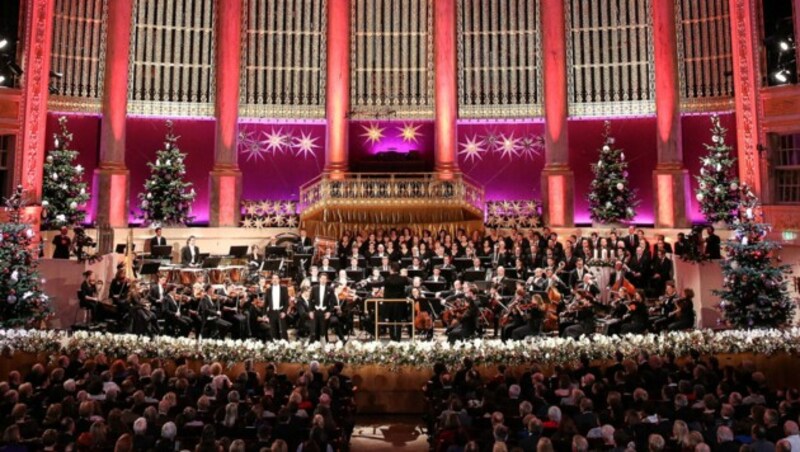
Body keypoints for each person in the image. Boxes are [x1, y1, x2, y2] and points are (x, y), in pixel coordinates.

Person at [383, 263, 409, 341]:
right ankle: (398, 338)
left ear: (391, 270)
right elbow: (409, 282)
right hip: (400, 303)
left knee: (391, 321)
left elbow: (380, 284)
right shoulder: (403, 279)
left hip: (390, 303)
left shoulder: (388, 279)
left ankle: (392, 338)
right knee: (398, 321)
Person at [264, 274, 289, 341]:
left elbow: (286, 302)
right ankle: (275, 347)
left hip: (280, 312)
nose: (275, 280)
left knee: (283, 331)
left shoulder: (284, 289)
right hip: (272, 312)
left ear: (279, 280)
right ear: (271, 280)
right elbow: (266, 303)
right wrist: (264, 314)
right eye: (273, 278)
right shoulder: (268, 290)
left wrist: (284, 312)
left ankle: (285, 346)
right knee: (273, 331)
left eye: (276, 278)